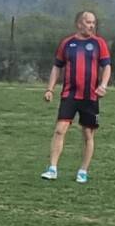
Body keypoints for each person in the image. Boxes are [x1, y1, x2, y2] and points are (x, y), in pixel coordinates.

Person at [40, 10, 111, 183]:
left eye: (93, 22)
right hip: (70, 94)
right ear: (79, 24)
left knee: (88, 134)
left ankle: (83, 171)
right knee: (60, 130)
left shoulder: (99, 43)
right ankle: (52, 168)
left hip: (90, 97)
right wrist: (50, 89)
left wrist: (103, 85)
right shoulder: (67, 43)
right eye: (88, 22)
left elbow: (107, 66)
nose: (92, 25)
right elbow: (57, 66)